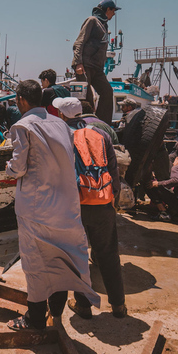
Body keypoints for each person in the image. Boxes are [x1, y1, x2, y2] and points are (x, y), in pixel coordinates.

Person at [5, 80, 99, 330]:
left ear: (22, 100)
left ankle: (34, 318)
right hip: (66, 205)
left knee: (35, 262)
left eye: (16, 100)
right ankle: (56, 310)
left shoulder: (22, 125)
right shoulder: (60, 124)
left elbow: (18, 167)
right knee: (64, 256)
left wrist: (8, 169)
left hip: (36, 208)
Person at [54, 96, 127, 319]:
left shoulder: (61, 136)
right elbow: (113, 168)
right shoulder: (101, 134)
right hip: (103, 201)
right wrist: (112, 198)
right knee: (108, 254)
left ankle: (83, 306)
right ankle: (118, 306)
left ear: (61, 115)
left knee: (77, 256)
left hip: (74, 205)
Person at [72, 0, 119, 124]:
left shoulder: (104, 25)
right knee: (86, 98)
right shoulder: (92, 20)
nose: (114, 14)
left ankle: (102, 124)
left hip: (97, 68)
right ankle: (86, 123)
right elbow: (79, 42)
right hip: (85, 65)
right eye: (113, 11)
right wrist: (78, 63)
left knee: (107, 92)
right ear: (108, 9)